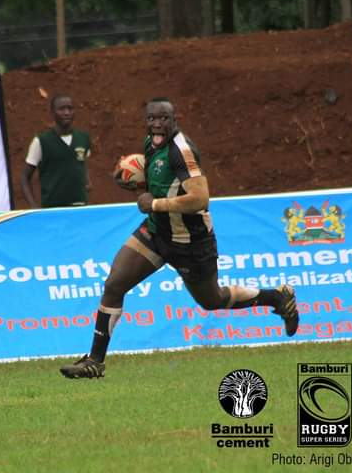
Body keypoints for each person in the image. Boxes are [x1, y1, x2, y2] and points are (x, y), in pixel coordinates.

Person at [60, 97, 299, 379]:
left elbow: (200, 198)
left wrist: (155, 204)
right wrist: (134, 180)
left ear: (175, 120)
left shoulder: (181, 151)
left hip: (190, 242)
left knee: (212, 299)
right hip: (157, 231)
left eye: (163, 118)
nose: (156, 124)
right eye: (151, 118)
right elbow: (161, 184)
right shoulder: (151, 143)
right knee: (115, 283)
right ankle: (95, 362)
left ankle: (276, 298)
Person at [21, 93, 91, 208]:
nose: (67, 113)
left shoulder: (83, 138)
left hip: (80, 207)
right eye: (62, 109)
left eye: (70, 108)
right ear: (52, 113)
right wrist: (33, 206)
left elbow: (81, 163)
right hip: (53, 210)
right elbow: (25, 177)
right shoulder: (41, 142)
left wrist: (87, 181)